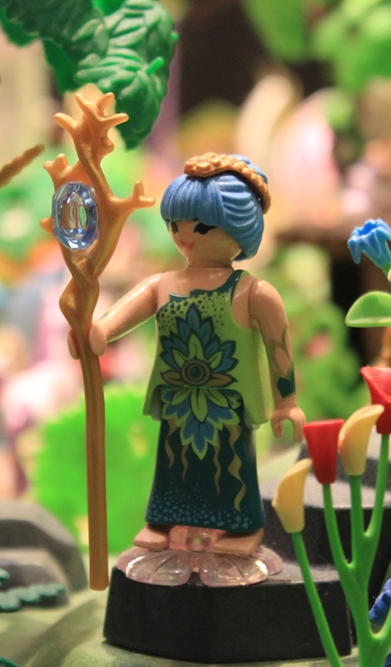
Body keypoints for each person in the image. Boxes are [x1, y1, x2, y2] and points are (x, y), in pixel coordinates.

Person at [81, 152, 305, 558]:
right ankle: (164, 520)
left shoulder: (253, 292)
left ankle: (241, 525)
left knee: (230, 464)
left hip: (226, 398)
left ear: (240, 228)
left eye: (201, 226)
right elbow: (118, 317)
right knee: (174, 461)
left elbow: (279, 347)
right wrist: (98, 332)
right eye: (175, 225)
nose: (185, 236)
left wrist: (286, 401)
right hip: (179, 395)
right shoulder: (162, 284)